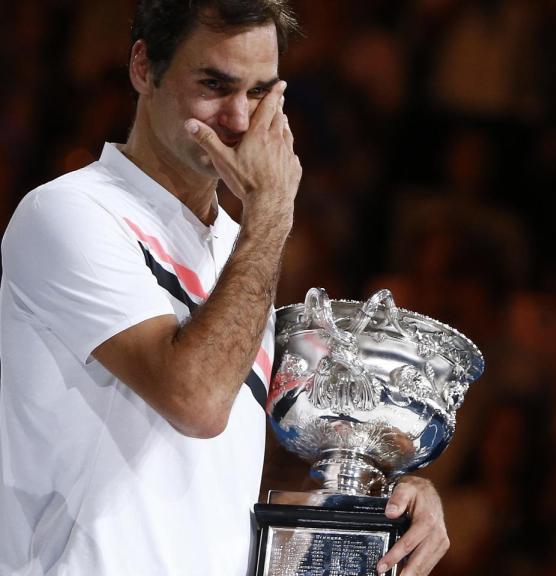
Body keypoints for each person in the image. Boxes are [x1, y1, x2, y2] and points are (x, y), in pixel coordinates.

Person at [0, 1, 448, 575]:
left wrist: (391, 491)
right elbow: (198, 401)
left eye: (259, 92)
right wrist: (271, 214)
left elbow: (225, 469)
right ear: (143, 67)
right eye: (214, 84)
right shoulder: (72, 212)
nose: (238, 119)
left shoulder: (238, 248)